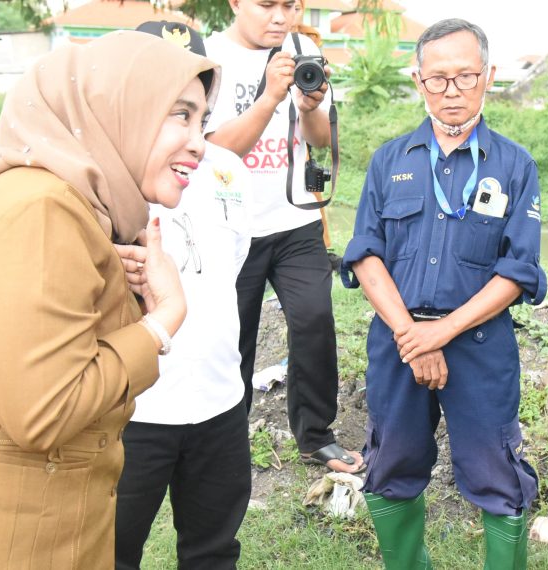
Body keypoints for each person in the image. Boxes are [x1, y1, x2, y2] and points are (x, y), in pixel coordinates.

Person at [0, 30, 218, 568]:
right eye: (180, 114)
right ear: (115, 109)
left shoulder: (77, 210)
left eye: (203, 121)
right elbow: (46, 412)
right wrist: (163, 320)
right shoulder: (42, 210)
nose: (199, 140)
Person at [342, 18, 547, 569]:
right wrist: (414, 336)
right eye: (437, 79)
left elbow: (517, 270)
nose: (451, 90)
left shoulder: (514, 165)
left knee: (497, 472)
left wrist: (442, 331)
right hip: (398, 345)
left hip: (480, 346)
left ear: (490, 77)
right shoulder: (389, 161)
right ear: (418, 80)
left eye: (465, 76)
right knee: (390, 465)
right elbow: (365, 256)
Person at [114, 21, 253, 570]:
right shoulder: (101, 178)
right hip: (133, 410)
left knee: (213, 551)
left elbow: (232, 264)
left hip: (219, 399)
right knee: (111, 552)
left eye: (194, 101)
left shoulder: (227, 170)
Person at [204, 0, 363, 474]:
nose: (280, 16)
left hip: (295, 218)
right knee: (234, 339)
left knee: (315, 322)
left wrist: (308, 105)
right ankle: (225, 440)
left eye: (290, 4)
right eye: (266, 4)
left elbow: (317, 140)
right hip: (232, 227)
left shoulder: (303, 50)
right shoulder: (209, 59)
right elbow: (210, 151)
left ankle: (315, 435)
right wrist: (271, 97)